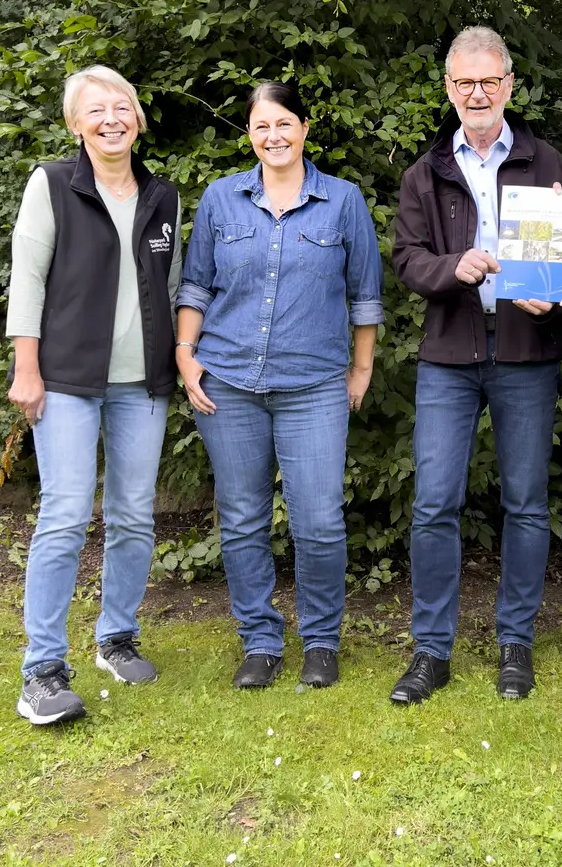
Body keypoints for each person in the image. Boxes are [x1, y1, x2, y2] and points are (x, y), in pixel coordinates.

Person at [387, 26, 562, 705]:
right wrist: (453, 267)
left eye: (488, 81)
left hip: (526, 352)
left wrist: (550, 294)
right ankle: (431, 651)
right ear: (448, 88)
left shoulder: (546, 161)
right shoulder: (425, 172)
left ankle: (515, 646)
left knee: (526, 504)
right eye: (464, 82)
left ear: (508, 86)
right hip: (449, 353)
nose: (477, 92)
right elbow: (408, 259)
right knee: (434, 504)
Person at [177, 81, 383, 691]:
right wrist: (186, 356)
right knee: (242, 519)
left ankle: (321, 639)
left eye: (284, 124)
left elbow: (365, 295)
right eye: (262, 126)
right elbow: (196, 287)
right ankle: (261, 641)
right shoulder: (221, 199)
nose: (274, 136)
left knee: (318, 521)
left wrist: (362, 369)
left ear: (305, 128)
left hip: (314, 384)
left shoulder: (343, 202)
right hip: (228, 382)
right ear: (250, 134)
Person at [6, 65, 182, 725]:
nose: (112, 118)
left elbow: (172, 286)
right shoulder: (51, 185)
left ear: (137, 119)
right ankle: (42, 672)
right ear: (76, 125)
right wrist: (27, 368)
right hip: (67, 381)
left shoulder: (163, 196)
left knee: (135, 513)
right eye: (96, 110)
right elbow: (28, 279)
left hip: (143, 385)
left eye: (122, 107)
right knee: (66, 514)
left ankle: (116, 638)